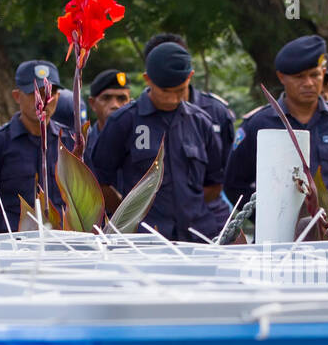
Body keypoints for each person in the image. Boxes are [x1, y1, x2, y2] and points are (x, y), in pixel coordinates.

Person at [88, 42, 226, 241]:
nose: (171, 99)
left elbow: (214, 184)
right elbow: (98, 183)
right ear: (147, 80)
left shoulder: (201, 123)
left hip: (196, 238)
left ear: (190, 77)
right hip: (143, 241)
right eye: (165, 91)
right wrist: (129, 212)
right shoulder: (124, 122)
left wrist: (186, 206)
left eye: (179, 91)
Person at [226, 35, 328, 224]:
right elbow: (234, 184)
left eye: (315, 75)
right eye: (299, 77)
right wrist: (267, 218)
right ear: (281, 77)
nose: (309, 83)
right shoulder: (259, 124)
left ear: (324, 72)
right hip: (278, 236)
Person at [0, 59, 66, 234]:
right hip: (14, 246)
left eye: (48, 94)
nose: (42, 101)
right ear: (16, 96)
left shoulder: (69, 142)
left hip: (65, 243)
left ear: (58, 97)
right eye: (34, 94)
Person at [82, 68, 132, 157]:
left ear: (130, 103)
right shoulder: (81, 148)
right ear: (92, 103)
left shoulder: (142, 143)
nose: (115, 105)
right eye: (106, 98)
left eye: (121, 98)